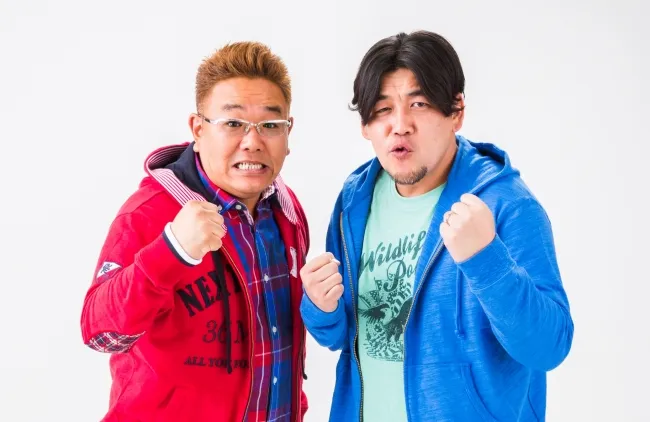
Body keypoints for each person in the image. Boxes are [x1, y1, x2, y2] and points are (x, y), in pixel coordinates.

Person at [299, 30, 574, 422]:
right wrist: (319, 306)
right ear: (365, 126)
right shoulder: (355, 200)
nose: (400, 125)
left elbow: (549, 347)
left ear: (456, 112)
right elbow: (344, 336)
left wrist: (487, 261)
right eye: (382, 109)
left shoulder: (508, 205)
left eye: (420, 104)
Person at [80, 41, 310, 422]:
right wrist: (171, 251)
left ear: (289, 132)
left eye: (270, 125)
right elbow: (99, 333)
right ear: (198, 129)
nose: (253, 142)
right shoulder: (147, 214)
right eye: (233, 124)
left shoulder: (287, 212)